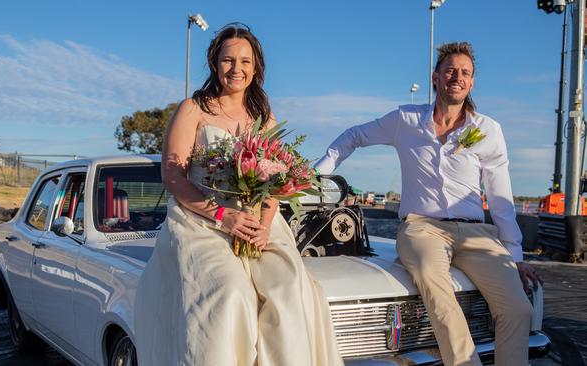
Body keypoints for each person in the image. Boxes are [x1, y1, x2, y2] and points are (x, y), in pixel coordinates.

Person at [315, 42, 541, 366]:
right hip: (422, 229)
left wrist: (515, 256)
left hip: (477, 234)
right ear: (435, 77)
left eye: (465, 73)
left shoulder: (488, 130)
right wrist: (313, 177)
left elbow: (501, 199)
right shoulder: (405, 119)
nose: (457, 77)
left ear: (472, 83)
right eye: (450, 70)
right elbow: (354, 136)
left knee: (518, 309)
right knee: (440, 296)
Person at [134, 23, 342, 366]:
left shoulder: (264, 116)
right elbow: (172, 174)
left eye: (245, 61)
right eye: (228, 60)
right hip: (202, 220)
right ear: (215, 63)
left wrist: (265, 222)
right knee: (230, 294)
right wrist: (223, 215)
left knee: (289, 290)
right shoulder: (193, 109)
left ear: (256, 66)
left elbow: (277, 179)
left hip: (259, 223)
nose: (237, 69)